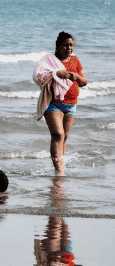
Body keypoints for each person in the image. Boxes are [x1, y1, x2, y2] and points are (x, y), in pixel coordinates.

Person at [34, 32, 87, 176]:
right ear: (58, 46)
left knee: (65, 137)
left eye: (71, 45)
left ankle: (59, 167)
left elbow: (84, 81)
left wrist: (73, 75)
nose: (69, 48)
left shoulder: (75, 60)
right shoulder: (49, 61)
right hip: (53, 103)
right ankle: (60, 172)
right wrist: (56, 74)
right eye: (66, 45)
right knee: (58, 135)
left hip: (71, 104)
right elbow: (38, 77)